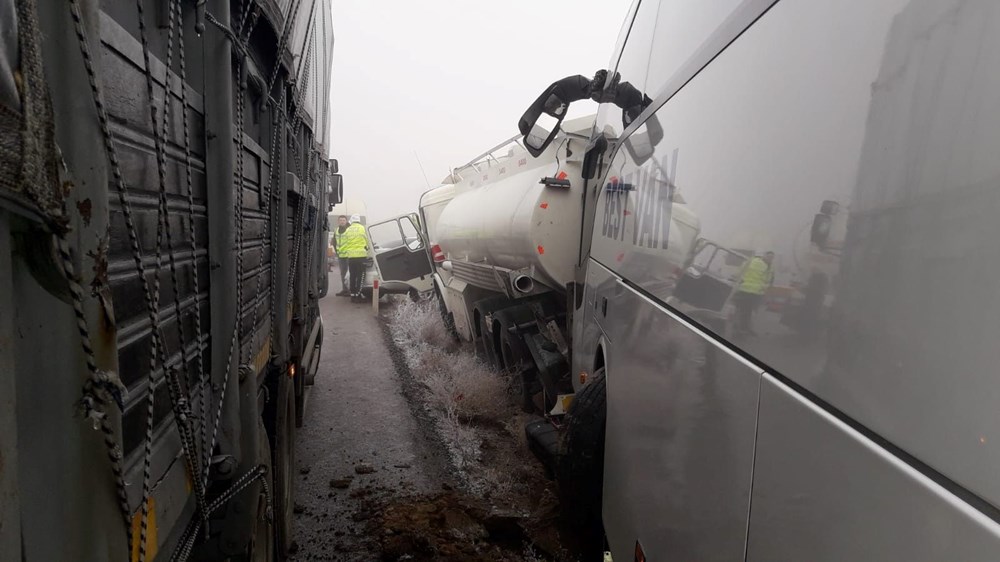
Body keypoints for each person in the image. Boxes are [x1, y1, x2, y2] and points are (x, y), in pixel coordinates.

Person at [733, 251, 775, 336]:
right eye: (769, 257)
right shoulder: (765, 266)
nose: (770, 259)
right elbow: (768, 280)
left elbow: (739, 272)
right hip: (751, 291)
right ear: (764, 256)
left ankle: (741, 327)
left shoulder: (751, 261)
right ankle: (742, 329)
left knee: (745, 310)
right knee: (747, 311)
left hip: (749, 290)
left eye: (771, 258)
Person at [338, 214, 369, 302]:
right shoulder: (363, 228)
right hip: (361, 256)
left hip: (351, 257)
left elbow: (345, 242)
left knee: (352, 276)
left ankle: (352, 296)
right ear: (359, 221)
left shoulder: (348, 230)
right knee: (360, 276)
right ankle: (358, 296)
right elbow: (367, 241)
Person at [332, 215, 351, 296]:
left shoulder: (349, 230)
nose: (342, 221)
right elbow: (334, 241)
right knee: (343, 273)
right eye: (340, 220)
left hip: (348, 255)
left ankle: (350, 290)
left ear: (346, 221)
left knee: (349, 274)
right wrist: (337, 251)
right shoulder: (336, 230)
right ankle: (345, 289)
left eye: (343, 220)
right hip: (340, 256)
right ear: (338, 221)